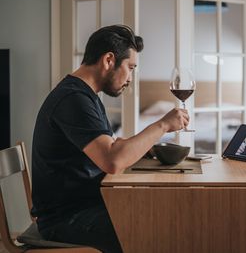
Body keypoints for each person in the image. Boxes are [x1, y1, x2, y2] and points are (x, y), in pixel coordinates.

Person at [31, 25, 189, 253]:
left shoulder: (85, 95)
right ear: (108, 60)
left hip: (84, 206)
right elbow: (112, 160)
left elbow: (112, 145)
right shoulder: (73, 99)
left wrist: (144, 147)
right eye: (130, 67)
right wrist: (162, 124)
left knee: (160, 212)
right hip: (66, 218)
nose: (131, 78)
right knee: (156, 227)